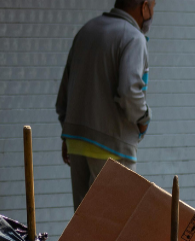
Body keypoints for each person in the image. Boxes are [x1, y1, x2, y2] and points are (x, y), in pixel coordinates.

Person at [56, 0, 155, 211]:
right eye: (153, 6)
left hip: (76, 142)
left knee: (82, 229)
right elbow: (129, 92)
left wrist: (67, 133)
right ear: (144, 6)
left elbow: (66, 88)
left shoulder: (87, 30)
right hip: (113, 148)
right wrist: (144, 119)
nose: (153, 12)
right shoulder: (134, 38)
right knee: (114, 228)